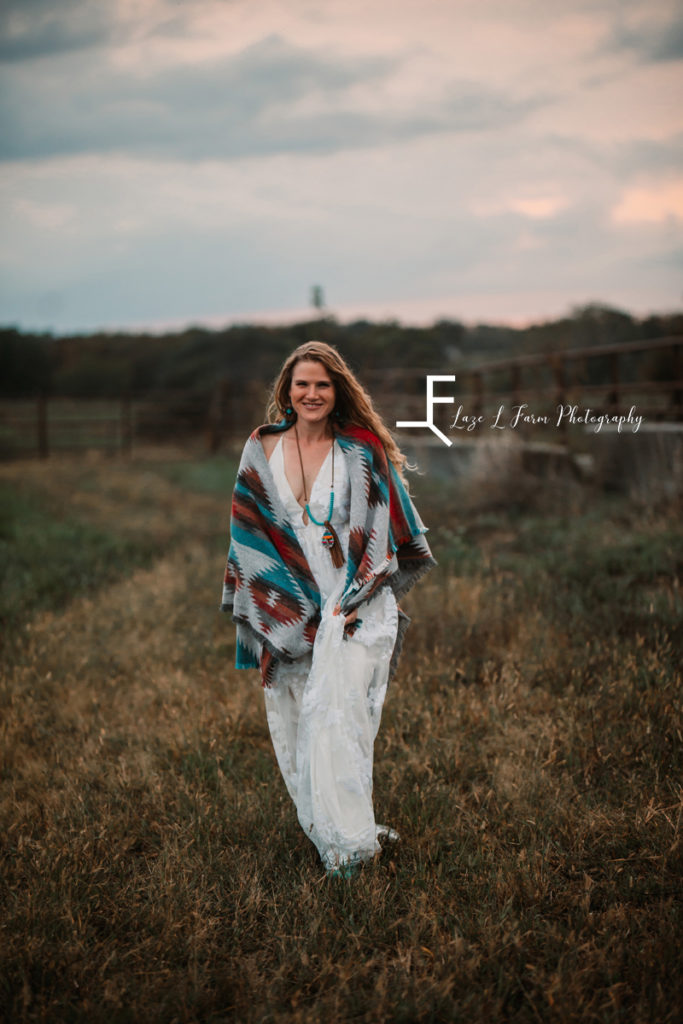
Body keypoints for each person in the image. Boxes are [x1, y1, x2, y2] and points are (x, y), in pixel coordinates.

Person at [221, 341, 436, 878]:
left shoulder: (361, 450)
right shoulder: (261, 448)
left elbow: (383, 531)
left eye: (322, 383)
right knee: (298, 718)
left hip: (356, 602)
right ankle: (332, 826)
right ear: (286, 392)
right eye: (302, 384)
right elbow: (248, 536)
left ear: (337, 390)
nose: (312, 393)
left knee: (343, 720)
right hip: (290, 606)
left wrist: (354, 601)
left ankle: (348, 847)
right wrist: (290, 615)